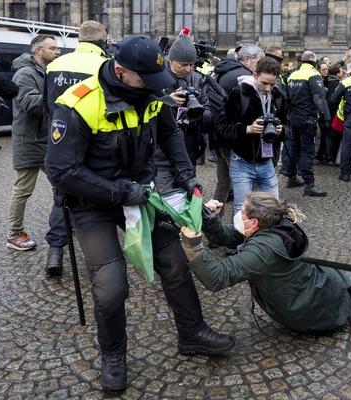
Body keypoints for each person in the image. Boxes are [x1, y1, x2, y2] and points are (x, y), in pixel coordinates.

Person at [45, 35, 235, 393]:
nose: (155, 88)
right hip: (93, 203)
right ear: (121, 71)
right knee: (111, 284)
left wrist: (188, 176)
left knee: (175, 262)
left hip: (142, 194)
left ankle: (192, 332)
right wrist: (119, 192)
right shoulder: (78, 103)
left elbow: (170, 136)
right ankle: (113, 354)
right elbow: (61, 171)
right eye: (146, 80)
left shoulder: (151, 94)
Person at [179, 192, 351, 334]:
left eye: (242, 211)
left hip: (316, 303)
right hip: (318, 287)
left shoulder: (262, 250)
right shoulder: (273, 222)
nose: (238, 213)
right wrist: (208, 218)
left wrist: (193, 244)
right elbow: (229, 236)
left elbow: (218, 277)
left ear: (254, 222)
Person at [42, 20, 109, 275]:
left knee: (62, 195)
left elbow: (47, 105)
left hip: (59, 139)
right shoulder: (104, 65)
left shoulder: (55, 64)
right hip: (94, 143)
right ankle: (100, 256)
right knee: (95, 196)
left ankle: (56, 251)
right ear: (102, 41)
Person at [5, 34, 60, 251]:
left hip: (48, 140)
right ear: (38, 51)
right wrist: (58, 98)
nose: (58, 52)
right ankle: (14, 234)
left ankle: (63, 221)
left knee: (62, 184)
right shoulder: (24, 74)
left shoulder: (48, 71)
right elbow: (28, 102)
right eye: (53, 48)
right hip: (29, 141)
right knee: (22, 190)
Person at [216, 57, 287, 215]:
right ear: (255, 75)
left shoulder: (279, 96)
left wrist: (281, 131)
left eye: (272, 84)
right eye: (264, 83)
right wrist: (247, 129)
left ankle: (265, 239)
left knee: (272, 209)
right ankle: (241, 240)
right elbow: (221, 127)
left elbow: (287, 128)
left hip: (267, 161)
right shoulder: (239, 93)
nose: (268, 88)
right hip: (242, 161)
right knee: (243, 210)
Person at [212, 44, 264, 212]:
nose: (262, 67)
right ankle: (248, 223)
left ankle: (213, 222)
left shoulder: (223, 72)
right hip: (235, 138)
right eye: (260, 62)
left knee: (223, 183)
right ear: (247, 60)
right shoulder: (244, 77)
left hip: (219, 136)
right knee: (245, 184)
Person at [166, 37, 222, 168]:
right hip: (162, 146)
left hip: (189, 143)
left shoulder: (197, 79)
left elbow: (208, 114)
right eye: (183, 65)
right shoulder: (158, 78)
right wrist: (167, 101)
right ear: (171, 60)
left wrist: (196, 113)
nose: (188, 69)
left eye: (191, 65)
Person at [284, 50, 330, 197]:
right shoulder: (313, 75)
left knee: (294, 148)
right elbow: (318, 98)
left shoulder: (292, 75)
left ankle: (291, 178)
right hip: (307, 118)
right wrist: (326, 117)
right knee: (308, 151)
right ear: (313, 62)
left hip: (293, 117)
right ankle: (309, 185)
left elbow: (287, 98)